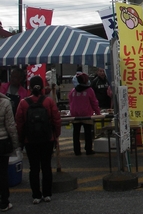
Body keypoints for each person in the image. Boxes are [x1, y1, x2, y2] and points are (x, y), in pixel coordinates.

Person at [15, 75, 61, 205]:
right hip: (47, 139)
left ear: (29, 87)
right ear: (42, 86)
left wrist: (21, 139)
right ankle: (47, 194)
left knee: (34, 168)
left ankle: (36, 195)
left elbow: (19, 123)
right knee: (46, 166)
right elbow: (56, 119)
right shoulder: (48, 101)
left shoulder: (23, 103)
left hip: (30, 141)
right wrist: (56, 135)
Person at [68, 73, 100, 156]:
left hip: (75, 115)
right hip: (86, 114)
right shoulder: (89, 90)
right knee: (88, 133)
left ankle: (77, 150)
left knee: (76, 133)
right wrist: (98, 113)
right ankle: (88, 149)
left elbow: (70, 102)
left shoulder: (73, 91)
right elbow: (94, 102)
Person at [0, 90, 20, 211]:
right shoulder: (5, 102)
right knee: (2, 172)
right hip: (2, 142)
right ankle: (4, 202)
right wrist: (15, 144)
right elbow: (11, 126)